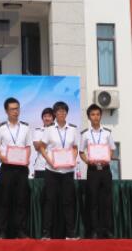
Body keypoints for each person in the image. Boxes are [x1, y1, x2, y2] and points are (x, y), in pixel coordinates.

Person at [39, 101, 79, 240]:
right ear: (55, 114)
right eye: (59, 111)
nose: (61, 113)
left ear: (67, 113)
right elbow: (42, 147)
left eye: (64, 111)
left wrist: (73, 159)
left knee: (68, 202)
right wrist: (50, 161)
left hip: (67, 171)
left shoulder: (73, 129)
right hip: (52, 170)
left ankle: (70, 234)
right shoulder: (49, 129)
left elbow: (75, 148)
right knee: (50, 201)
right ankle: (46, 233)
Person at [0, 97, 31, 239]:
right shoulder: (1, 128)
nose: (15, 112)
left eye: (17, 108)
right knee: (4, 200)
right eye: (12, 109)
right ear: (6, 111)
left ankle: (20, 231)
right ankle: (2, 231)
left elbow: (28, 147)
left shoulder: (26, 127)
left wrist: (27, 158)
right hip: (7, 168)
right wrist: (1, 157)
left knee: (21, 200)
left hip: (21, 169)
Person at [79, 103, 115, 239]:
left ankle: (107, 230)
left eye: (98, 114)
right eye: (93, 114)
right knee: (92, 200)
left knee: (106, 200)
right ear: (89, 117)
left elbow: (111, 149)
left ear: (101, 116)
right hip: (93, 170)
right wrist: (88, 161)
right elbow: (81, 152)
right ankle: (93, 230)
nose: (95, 117)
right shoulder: (85, 134)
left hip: (105, 170)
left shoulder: (107, 132)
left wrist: (108, 158)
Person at [33, 108, 55, 178]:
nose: (47, 118)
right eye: (45, 116)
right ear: (42, 118)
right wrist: (47, 133)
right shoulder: (38, 131)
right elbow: (37, 147)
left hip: (55, 166)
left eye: (49, 116)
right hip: (40, 166)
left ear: (53, 118)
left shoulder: (58, 131)